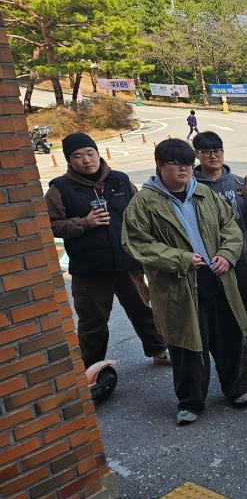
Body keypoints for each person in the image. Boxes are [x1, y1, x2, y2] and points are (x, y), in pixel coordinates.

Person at [122, 138, 247, 425]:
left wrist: (226, 255)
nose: (183, 169)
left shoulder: (204, 194)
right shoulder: (144, 202)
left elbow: (230, 228)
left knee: (230, 336)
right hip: (178, 284)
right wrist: (179, 258)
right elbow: (137, 243)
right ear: (159, 165)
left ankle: (238, 389)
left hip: (217, 276)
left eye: (187, 164)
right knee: (187, 345)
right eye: (175, 163)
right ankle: (190, 401)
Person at [45, 132, 169, 368]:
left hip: (127, 262)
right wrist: (84, 223)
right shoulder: (59, 189)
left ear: (98, 153)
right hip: (89, 270)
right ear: (69, 160)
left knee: (143, 310)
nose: (86, 160)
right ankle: (92, 368)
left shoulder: (119, 180)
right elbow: (51, 225)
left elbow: (141, 212)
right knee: (93, 322)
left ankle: (159, 349)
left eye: (90, 153)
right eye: (78, 156)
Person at [192, 131, 247, 363]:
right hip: (210, 261)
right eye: (207, 152)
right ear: (197, 155)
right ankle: (232, 355)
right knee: (220, 309)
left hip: (243, 256)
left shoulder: (237, 183)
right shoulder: (191, 186)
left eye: (217, 151)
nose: (213, 156)